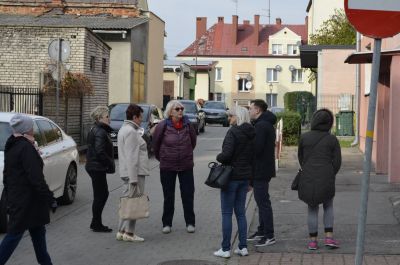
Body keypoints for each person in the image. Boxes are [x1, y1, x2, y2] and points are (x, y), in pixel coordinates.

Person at [0, 113, 57, 265]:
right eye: (31, 126)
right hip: (26, 203)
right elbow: (36, 179)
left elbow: (7, 175)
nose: (33, 128)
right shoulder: (25, 148)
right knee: (13, 237)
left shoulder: (13, 145)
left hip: (27, 202)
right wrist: (50, 198)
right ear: (26, 129)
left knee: (39, 238)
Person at [213, 106, 255, 258]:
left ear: (238, 117)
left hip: (230, 178)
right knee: (241, 213)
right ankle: (243, 247)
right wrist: (251, 180)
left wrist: (218, 157)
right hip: (244, 178)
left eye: (231, 116)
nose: (229, 119)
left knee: (226, 213)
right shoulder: (252, 132)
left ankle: (225, 249)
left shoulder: (233, 132)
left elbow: (226, 155)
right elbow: (253, 159)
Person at [297, 108, 341, 250]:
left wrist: (308, 168)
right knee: (328, 206)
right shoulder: (332, 139)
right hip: (326, 176)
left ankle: (313, 241)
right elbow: (337, 161)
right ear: (329, 123)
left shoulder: (305, 137)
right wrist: (330, 172)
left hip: (308, 176)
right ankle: (329, 238)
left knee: (312, 207)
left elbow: (301, 157)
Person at [152, 100, 197, 234]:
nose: (180, 111)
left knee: (188, 195)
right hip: (168, 166)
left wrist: (186, 153)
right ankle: (167, 223)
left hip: (186, 165)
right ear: (170, 111)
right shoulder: (163, 125)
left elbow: (193, 142)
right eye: (177, 109)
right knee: (168, 196)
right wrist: (164, 158)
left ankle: (190, 223)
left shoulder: (188, 125)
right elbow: (156, 144)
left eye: (182, 109)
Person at [116, 104, 149, 242]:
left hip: (128, 172)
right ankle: (129, 233)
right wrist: (133, 178)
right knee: (134, 202)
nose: (141, 120)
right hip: (134, 173)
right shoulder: (131, 132)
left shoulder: (124, 129)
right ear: (134, 117)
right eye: (140, 117)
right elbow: (132, 156)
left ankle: (122, 231)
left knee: (128, 202)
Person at [248, 99, 277, 247]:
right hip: (263, 169)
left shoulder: (261, 126)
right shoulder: (264, 124)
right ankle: (261, 230)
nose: (249, 111)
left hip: (261, 169)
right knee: (260, 202)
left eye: (251, 108)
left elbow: (256, 149)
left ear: (258, 110)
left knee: (263, 202)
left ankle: (269, 235)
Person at [86, 106, 115, 232]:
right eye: (107, 116)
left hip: (94, 166)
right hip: (96, 167)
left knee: (101, 194)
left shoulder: (96, 129)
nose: (109, 119)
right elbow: (99, 151)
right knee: (101, 195)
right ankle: (96, 223)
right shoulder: (100, 131)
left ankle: (96, 222)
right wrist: (108, 162)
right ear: (99, 118)